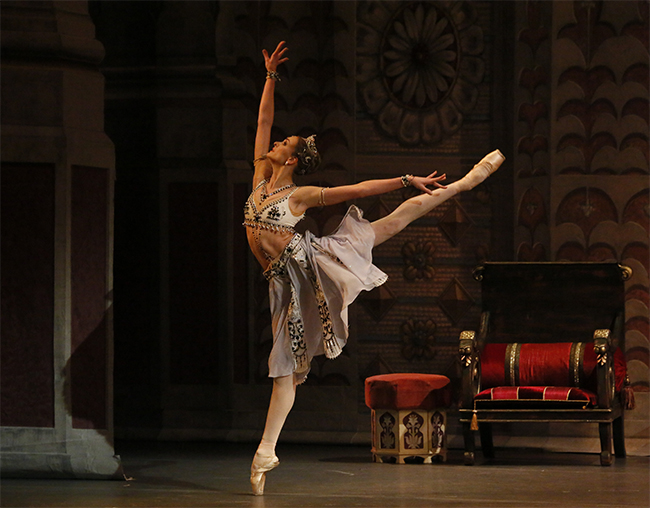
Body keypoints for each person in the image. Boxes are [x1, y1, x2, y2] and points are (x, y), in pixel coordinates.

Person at [245, 41, 505, 496]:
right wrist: (270, 77)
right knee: (283, 367)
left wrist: (407, 179)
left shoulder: (297, 197)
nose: (273, 142)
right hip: (283, 285)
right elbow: (263, 120)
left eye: (282, 143)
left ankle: (462, 183)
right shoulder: (259, 180)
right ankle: (266, 452)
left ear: (289, 160)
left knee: (387, 224)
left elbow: (358, 190)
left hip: (311, 265)